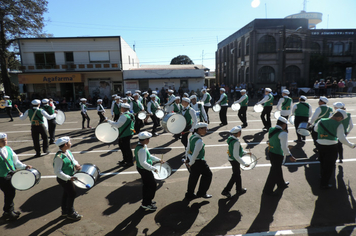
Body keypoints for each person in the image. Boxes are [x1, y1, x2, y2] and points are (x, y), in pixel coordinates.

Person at [314, 109, 356, 189]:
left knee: (322, 162)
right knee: (329, 166)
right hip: (331, 146)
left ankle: (322, 176)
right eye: (342, 119)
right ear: (340, 117)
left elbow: (315, 129)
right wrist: (351, 145)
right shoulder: (339, 125)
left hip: (320, 145)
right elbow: (342, 138)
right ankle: (324, 184)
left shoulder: (321, 121)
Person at [0, 133, 32, 221]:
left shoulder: (8, 149)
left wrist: (24, 166)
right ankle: (8, 212)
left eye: (5, 140)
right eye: (2, 141)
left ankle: (8, 211)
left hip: (11, 174)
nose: (5, 142)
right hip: (2, 177)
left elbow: (16, 161)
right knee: (9, 193)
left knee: (11, 193)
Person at [263, 117, 296, 196]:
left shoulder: (271, 129)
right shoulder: (283, 133)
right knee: (273, 172)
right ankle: (267, 190)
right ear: (284, 124)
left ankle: (281, 184)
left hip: (271, 152)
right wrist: (290, 155)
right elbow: (284, 147)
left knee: (277, 169)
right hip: (278, 154)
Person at [53, 136, 83, 220]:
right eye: (70, 142)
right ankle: (71, 212)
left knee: (66, 194)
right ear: (65, 144)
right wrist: (68, 178)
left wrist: (76, 164)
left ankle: (64, 211)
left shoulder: (67, 152)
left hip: (68, 177)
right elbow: (57, 172)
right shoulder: (59, 157)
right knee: (72, 194)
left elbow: (73, 160)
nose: (71, 143)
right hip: (64, 179)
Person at [135, 131, 164, 211]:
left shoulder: (142, 146)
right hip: (144, 170)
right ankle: (146, 203)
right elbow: (143, 163)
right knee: (151, 186)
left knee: (147, 186)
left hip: (143, 169)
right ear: (145, 140)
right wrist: (153, 168)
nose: (149, 140)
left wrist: (158, 160)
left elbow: (149, 156)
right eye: (148, 139)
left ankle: (147, 201)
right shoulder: (142, 149)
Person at [184, 122, 212, 199]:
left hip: (193, 161)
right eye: (205, 129)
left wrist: (187, 159)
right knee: (208, 175)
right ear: (199, 129)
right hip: (199, 162)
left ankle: (189, 194)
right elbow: (195, 155)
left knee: (193, 177)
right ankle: (202, 193)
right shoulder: (199, 141)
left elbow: (188, 149)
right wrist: (190, 163)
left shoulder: (192, 137)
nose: (206, 131)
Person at [221, 126, 249, 198]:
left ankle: (239, 189)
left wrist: (246, 153)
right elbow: (236, 156)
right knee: (235, 175)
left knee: (237, 174)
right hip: (234, 160)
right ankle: (226, 190)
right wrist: (244, 163)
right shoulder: (236, 142)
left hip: (231, 159)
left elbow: (238, 151)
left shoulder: (231, 139)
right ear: (238, 133)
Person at [107, 103, 135, 167]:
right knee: (123, 147)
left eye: (121, 107)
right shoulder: (131, 114)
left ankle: (129, 162)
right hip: (129, 133)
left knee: (126, 148)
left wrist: (109, 121)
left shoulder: (124, 116)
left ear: (124, 108)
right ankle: (125, 160)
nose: (120, 109)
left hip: (124, 134)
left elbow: (117, 125)